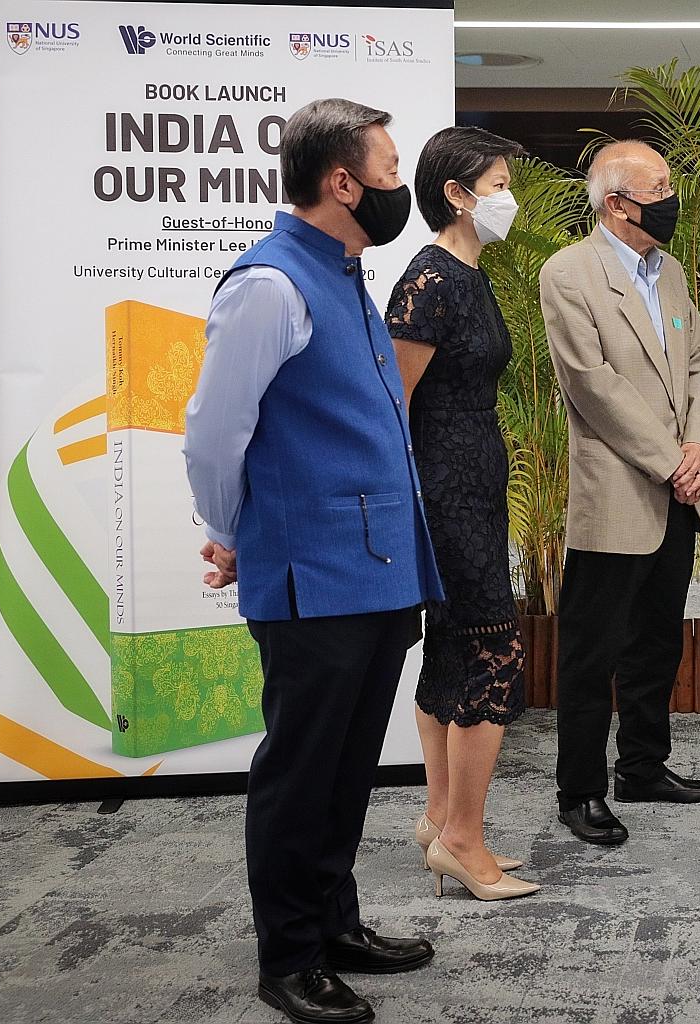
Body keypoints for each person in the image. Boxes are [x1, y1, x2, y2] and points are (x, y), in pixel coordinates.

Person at [184, 98, 442, 1024]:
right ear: (342, 182)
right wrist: (231, 531)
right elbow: (214, 432)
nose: (398, 187)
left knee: (346, 765)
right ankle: (289, 957)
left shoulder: (344, 272)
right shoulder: (269, 284)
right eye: (389, 170)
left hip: (374, 566)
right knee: (301, 773)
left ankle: (335, 925)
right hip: (315, 576)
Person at [538, 140, 700, 846]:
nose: (672, 199)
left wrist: (699, 447)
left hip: (681, 490)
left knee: (656, 641)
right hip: (618, 490)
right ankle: (580, 790)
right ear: (616, 203)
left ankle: (642, 766)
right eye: (660, 188)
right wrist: (671, 460)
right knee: (593, 651)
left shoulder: (669, 271)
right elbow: (593, 386)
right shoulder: (569, 273)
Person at [385, 125, 539, 901]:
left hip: (476, 487)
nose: (510, 199)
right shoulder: (429, 279)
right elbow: (393, 404)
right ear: (457, 193)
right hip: (445, 493)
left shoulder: (471, 273)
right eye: (500, 185)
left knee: (452, 649)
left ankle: (442, 819)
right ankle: (462, 842)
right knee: (493, 654)